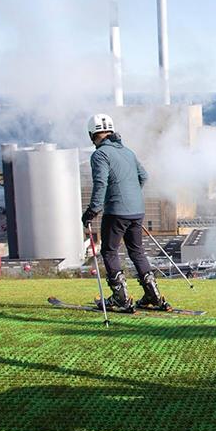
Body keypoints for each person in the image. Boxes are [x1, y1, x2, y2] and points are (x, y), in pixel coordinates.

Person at [82, 114, 171, 312]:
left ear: (91, 135)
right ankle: (153, 296)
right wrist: (131, 196)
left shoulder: (100, 155)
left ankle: (120, 298)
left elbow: (101, 183)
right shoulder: (128, 152)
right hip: (137, 210)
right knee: (136, 251)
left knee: (109, 251)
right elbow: (143, 176)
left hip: (116, 211)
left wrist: (93, 210)